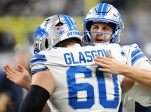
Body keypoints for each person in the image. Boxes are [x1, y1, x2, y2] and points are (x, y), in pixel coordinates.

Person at [4, 14, 142, 112]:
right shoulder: (111, 52)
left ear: (47, 40)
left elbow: (30, 109)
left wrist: (32, 85)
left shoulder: (48, 59)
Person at [82, 3, 151, 112]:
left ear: (115, 32)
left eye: (105, 28)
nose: (99, 32)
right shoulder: (76, 53)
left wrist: (122, 69)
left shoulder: (127, 52)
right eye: (95, 27)